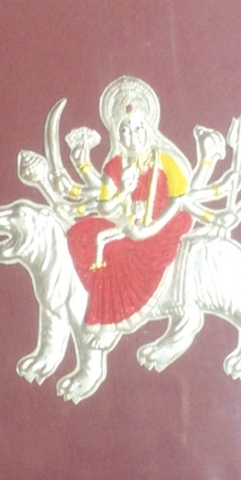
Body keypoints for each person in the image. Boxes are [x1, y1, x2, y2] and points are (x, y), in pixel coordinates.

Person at [65, 77, 194, 328]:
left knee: (114, 250)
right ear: (118, 134)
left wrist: (151, 228)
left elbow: (177, 200)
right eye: (125, 129)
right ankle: (103, 311)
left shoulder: (164, 161)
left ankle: (113, 318)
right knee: (80, 235)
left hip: (160, 228)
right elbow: (104, 207)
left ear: (147, 128)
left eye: (137, 128)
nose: (132, 135)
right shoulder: (114, 165)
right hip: (127, 225)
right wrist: (124, 191)